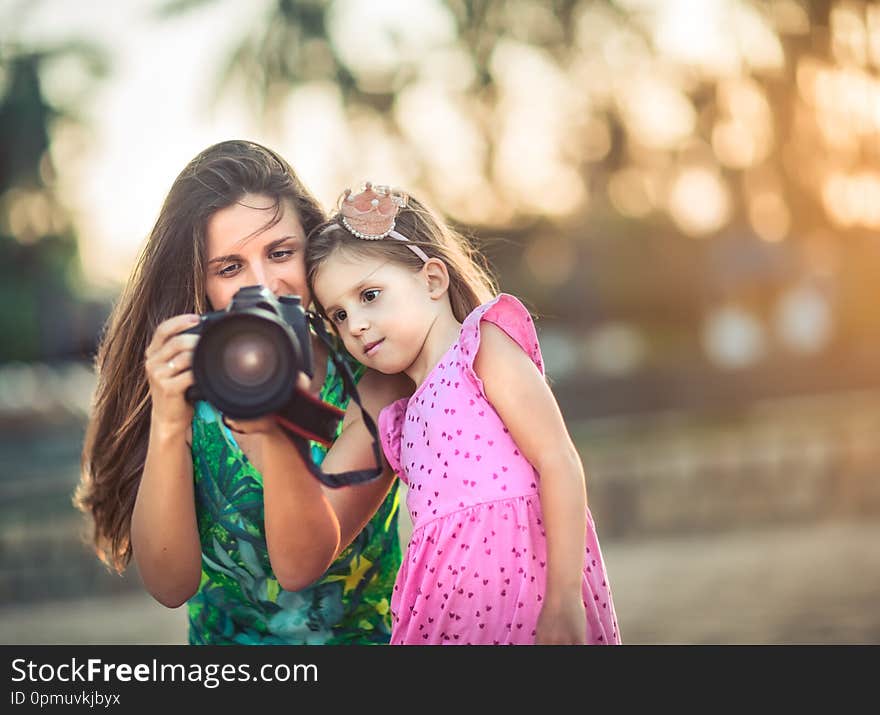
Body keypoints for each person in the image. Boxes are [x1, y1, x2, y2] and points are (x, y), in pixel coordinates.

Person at [76, 142, 411, 644]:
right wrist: (168, 422)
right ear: (201, 286)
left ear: (314, 250)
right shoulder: (189, 392)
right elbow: (170, 585)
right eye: (229, 268)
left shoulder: (373, 382)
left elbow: (300, 564)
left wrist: (276, 425)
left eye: (280, 253)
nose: (265, 285)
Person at [305, 183, 621, 645]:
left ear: (432, 279)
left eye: (369, 295)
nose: (355, 324)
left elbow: (559, 460)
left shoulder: (481, 348)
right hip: (447, 611)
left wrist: (563, 598)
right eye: (337, 315)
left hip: (528, 595)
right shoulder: (398, 418)